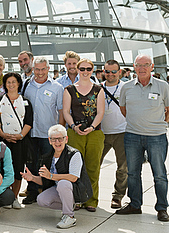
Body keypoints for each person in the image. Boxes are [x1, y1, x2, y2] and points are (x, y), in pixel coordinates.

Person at [116, 54, 169, 222]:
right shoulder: (126, 87)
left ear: (152, 66)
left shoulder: (163, 86)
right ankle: (135, 204)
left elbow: (168, 109)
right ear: (134, 66)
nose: (142, 68)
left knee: (159, 174)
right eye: (139, 65)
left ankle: (162, 208)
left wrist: (159, 123)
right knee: (132, 173)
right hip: (132, 136)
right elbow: (123, 109)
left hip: (157, 137)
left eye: (146, 64)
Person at [20, 124, 85, 229]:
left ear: (66, 139)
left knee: (63, 183)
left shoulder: (74, 154)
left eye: (60, 139)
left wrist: (51, 175)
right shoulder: (47, 157)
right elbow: (46, 180)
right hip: (58, 189)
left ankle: (69, 216)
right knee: (41, 199)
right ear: (49, 141)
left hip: (75, 191)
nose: (57, 142)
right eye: (54, 139)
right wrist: (32, 178)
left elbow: (73, 178)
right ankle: (67, 207)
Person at [61, 58, 105, 212]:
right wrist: (73, 126)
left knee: (93, 167)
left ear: (92, 71)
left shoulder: (98, 90)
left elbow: (100, 112)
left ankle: (91, 200)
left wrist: (92, 127)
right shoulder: (69, 89)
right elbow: (66, 111)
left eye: (88, 69)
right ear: (78, 70)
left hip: (95, 132)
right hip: (75, 132)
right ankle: (77, 198)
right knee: (75, 168)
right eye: (82, 69)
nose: (85, 72)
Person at [21, 57, 64, 204]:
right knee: (31, 164)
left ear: (48, 69)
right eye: (37, 69)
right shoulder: (26, 85)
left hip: (48, 134)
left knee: (47, 165)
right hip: (30, 132)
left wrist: (60, 133)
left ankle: (46, 192)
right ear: (33, 69)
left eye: (43, 69)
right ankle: (32, 192)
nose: (40, 72)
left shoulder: (57, 87)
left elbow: (61, 110)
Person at [0, 72, 33, 209]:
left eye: (14, 82)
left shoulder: (25, 101)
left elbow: (29, 122)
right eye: (8, 82)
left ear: (19, 83)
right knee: (4, 168)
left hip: (20, 141)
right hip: (3, 141)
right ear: (4, 84)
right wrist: (3, 135)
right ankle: (5, 196)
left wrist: (20, 136)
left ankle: (14, 197)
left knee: (18, 169)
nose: (11, 85)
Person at [99, 59, 127, 209]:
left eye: (113, 71)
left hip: (122, 132)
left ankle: (117, 196)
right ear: (104, 72)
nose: (110, 74)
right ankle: (90, 195)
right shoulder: (97, 88)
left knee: (123, 167)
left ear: (119, 72)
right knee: (94, 165)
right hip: (100, 133)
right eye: (107, 71)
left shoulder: (126, 87)